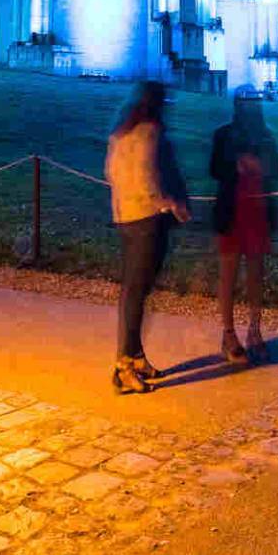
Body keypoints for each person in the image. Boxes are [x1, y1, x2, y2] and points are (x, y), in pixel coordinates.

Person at [104, 80, 191, 394]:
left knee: (134, 291)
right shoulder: (149, 132)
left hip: (125, 217)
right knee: (136, 293)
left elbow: (110, 173)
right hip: (146, 220)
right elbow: (148, 178)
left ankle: (136, 356)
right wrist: (171, 204)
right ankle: (123, 365)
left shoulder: (120, 133)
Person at [210, 89, 278, 366]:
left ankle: (254, 330)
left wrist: (262, 165)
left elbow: (277, 170)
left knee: (255, 274)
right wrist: (236, 164)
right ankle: (228, 333)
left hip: (258, 210)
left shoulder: (266, 135)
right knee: (228, 273)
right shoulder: (224, 134)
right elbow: (215, 169)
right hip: (232, 209)